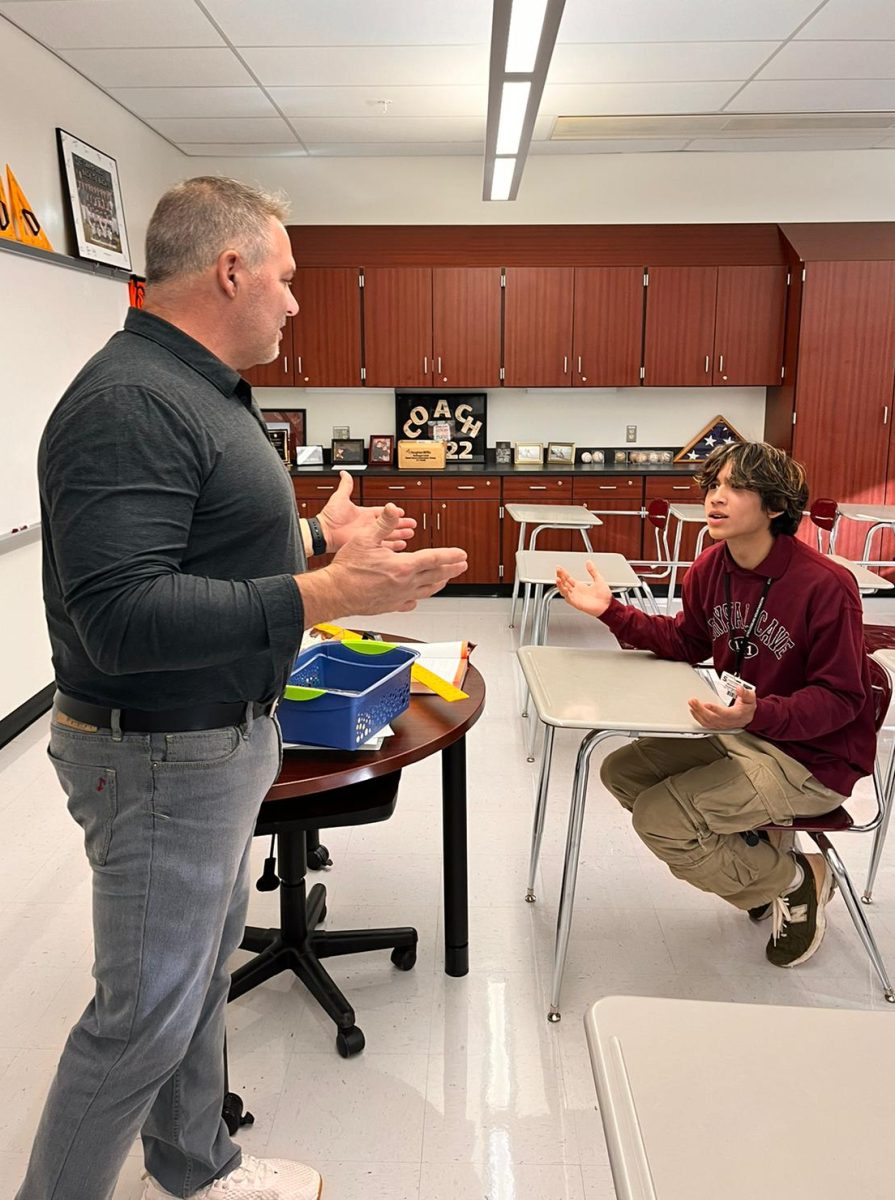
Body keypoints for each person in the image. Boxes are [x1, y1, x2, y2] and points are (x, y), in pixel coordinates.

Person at [18, 176, 467, 1200]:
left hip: (218, 742)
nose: (295, 303)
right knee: (139, 1019)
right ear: (231, 269)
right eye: (288, 278)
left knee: (190, 990)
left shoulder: (198, 387)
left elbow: (202, 553)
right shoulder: (130, 402)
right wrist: (320, 592)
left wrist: (317, 539)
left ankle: (197, 1168)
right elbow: (122, 617)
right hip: (158, 750)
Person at [556, 441, 876, 970]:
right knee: (623, 771)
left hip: (811, 760)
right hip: (745, 734)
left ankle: (794, 883)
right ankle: (766, 868)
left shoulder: (825, 585)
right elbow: (687, 641)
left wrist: (760, 714)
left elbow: (843, 698)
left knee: (661, 819)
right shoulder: (711, 567)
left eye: (736, 488)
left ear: (775, 506)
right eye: (713, 486)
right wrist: (612, 611)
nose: (715, 499)